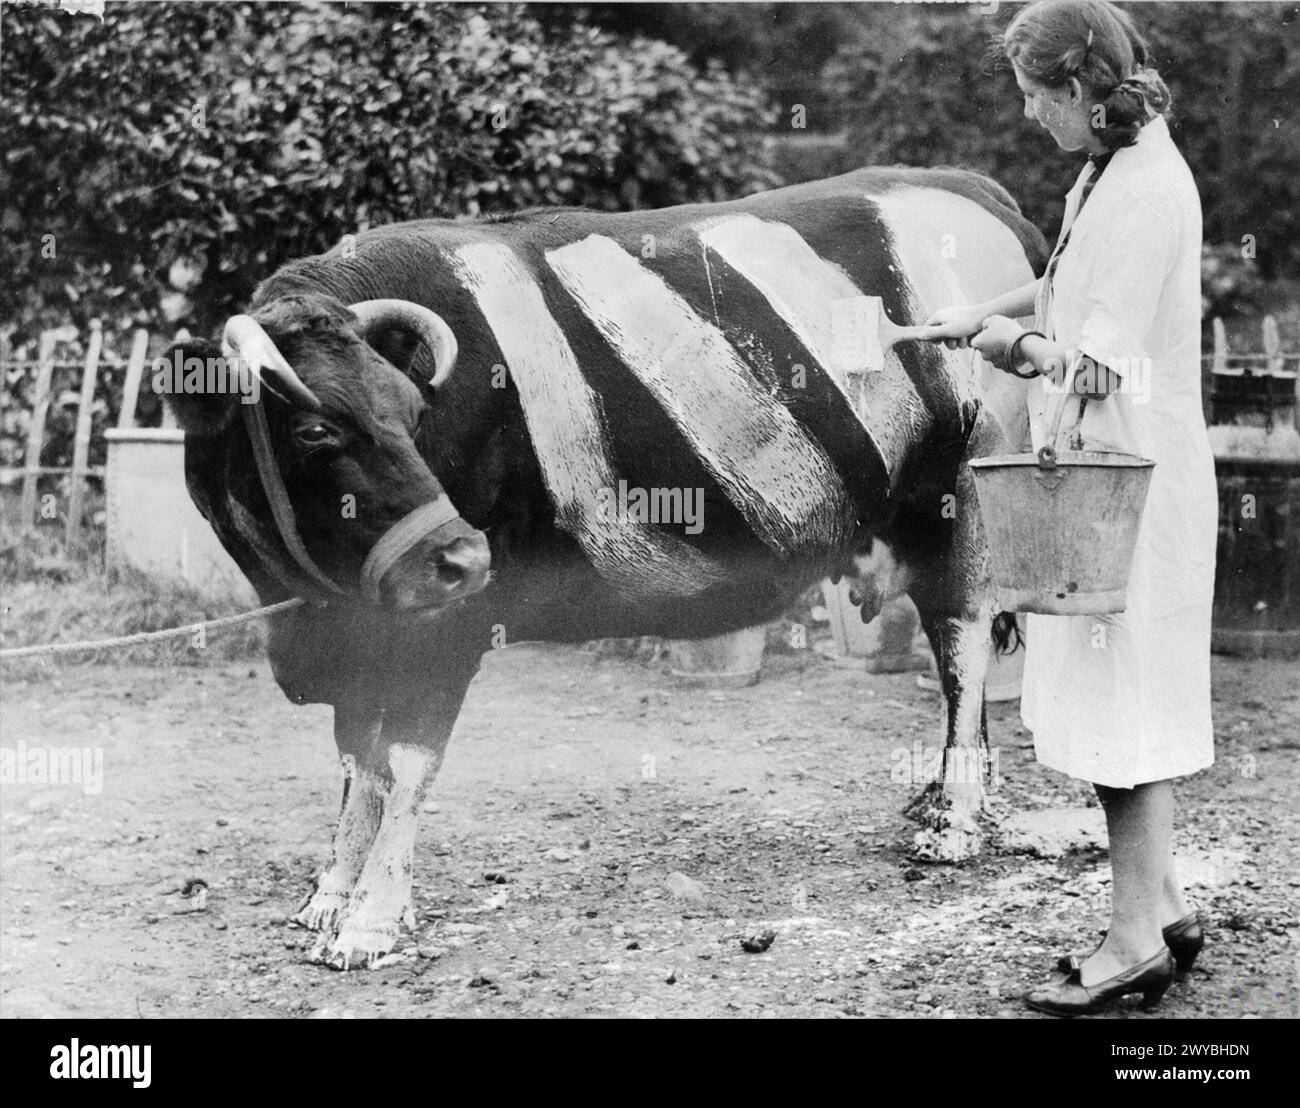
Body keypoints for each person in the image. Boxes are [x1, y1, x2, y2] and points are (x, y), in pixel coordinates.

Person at [926, 0, 1217, 1017]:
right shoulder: (1105, 173)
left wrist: (1009, 354)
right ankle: (1164, 904)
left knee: (1118, 713)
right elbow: (1065, 293)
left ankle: (1135, 938)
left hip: (1124, 484)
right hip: (1105, 474)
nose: (1024, 111)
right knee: (1112, 703)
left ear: (1084, 90)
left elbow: (1099, 361)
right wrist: (983, 315)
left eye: (1035, 93)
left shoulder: (1146, 191)